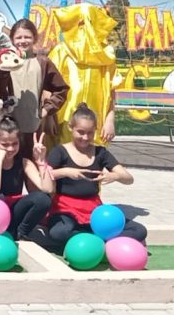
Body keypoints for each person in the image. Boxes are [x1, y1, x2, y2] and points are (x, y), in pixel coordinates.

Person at [40, 103, 145, 251]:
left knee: (139, 230)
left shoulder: (100, 152)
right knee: (59, 232)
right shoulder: (60, 151)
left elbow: (129, 178)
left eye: (90, 133)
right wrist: (65, 172)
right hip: (65, 208)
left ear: (95, 130)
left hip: (93, 209)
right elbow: (44, 177)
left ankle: (93, 241)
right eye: (80, 132)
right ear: (70, 128)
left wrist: (114, 175)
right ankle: (98, 241)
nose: (85, 137)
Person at [47, 4, 121, 146]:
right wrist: (49, 117)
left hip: (96, 125)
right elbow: (48, 87)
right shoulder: (61, 51)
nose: (85, 28)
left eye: (89, 22)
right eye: (81, 23)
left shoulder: (106, 55)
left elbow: (111, 91)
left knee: (92, 157)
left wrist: (110, 119)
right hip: (63, 121)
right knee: (63, 155)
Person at [0, 117, 53, 241]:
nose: (10, 149)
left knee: (43, 199)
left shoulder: (24, 163)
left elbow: (47, 189)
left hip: (13, 211)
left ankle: (21, 232)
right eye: (4, 145)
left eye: (14, 144)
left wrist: (41, 162)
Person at [5, 19, 70, 158]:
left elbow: (61, 89)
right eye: (19, 37)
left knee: (32, 164)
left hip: (33, 126)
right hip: (8, 126)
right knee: (9, 164)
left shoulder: (42, 62)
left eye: (27, 37)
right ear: (12, 39)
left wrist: (46, 110)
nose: (23, 41)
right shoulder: (5, 61)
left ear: (34, 38)